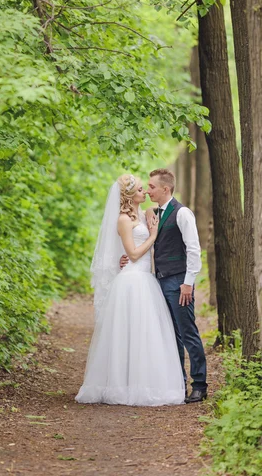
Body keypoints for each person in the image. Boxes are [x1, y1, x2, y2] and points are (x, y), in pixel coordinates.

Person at [75, 174, 185, 406]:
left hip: (147, 278)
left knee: (147, 333)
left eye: (146, 189)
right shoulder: (123, 220)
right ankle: (121, 384)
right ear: (128, 195)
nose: (144, 193)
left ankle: (145, 382)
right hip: (132, 280)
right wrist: (152, 237)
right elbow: (133, 253)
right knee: (128, 333)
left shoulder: (147, 215)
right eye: (140, 190)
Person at [121, 168, 208, 403]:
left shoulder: (183, 213)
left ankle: (199, 385)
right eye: (146, 187)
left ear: (165, 189)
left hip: (179, 282)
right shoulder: (153, 213)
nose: (148, 190)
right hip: (158, 280)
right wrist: (127, 258)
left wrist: (188, 283)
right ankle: (178, 382)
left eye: (151, 187)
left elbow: (193, 249)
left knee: (188, 332)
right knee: (171, 335)